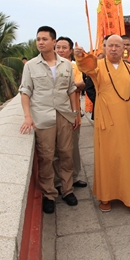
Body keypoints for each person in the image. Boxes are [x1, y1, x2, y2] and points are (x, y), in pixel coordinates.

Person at [74, 35, 130, 212]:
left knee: (129, 157)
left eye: (118, 45)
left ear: (124, 48)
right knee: (107, 158)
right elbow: (86, 66)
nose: (114, 49)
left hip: (127, 120)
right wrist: (80, 56)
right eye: (110, 46)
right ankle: (106, 196)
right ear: (105, 48)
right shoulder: (98, 66)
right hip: (107, 120)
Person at [19, 26, 80, 214]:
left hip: (64, 115)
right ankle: (49, 194)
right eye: (38, 39)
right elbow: (25, 91)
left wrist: (75, 112)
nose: (40, 42)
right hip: (42, 116)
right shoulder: (30, 66)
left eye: (44, 39)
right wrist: (28, 117)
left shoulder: (65, 65)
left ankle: (67, 189)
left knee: (66, 154)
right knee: (46, 156)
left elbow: (71, 89)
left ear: (53, 42)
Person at [54, 36, 87, 190]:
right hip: (54, 114)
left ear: (70, 50)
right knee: (56, 150)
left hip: (73, 113)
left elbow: (81, 83)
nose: (60, 50)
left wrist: (65, 85)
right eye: (58, 47)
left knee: (73, 147)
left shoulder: (74, 66)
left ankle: (74, 177)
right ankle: (59, 181)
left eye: (64, 48)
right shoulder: (51, 66)